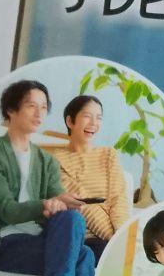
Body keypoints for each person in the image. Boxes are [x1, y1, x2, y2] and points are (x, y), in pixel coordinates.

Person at [0, 79, 94, 276]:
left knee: (73, 219)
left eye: (44, 107)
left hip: (40, 239)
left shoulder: (46, 161)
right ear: (11, 110)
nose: (39, 113)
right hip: (5, 244)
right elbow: (5, 209)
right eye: (31, 106)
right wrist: (44, 205)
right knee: (84, 256)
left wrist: (63, 201)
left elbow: (57, 196)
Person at [55, 95, 131, 265]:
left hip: (113, 235)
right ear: (70, 121)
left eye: (99, 118)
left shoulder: (108, 155)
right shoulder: (56, 160)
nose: (93, 123)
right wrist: (115, 241)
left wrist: (123, 237)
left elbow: (118, 199)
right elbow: (83, 205)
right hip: (82, 237)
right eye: (87, 116)